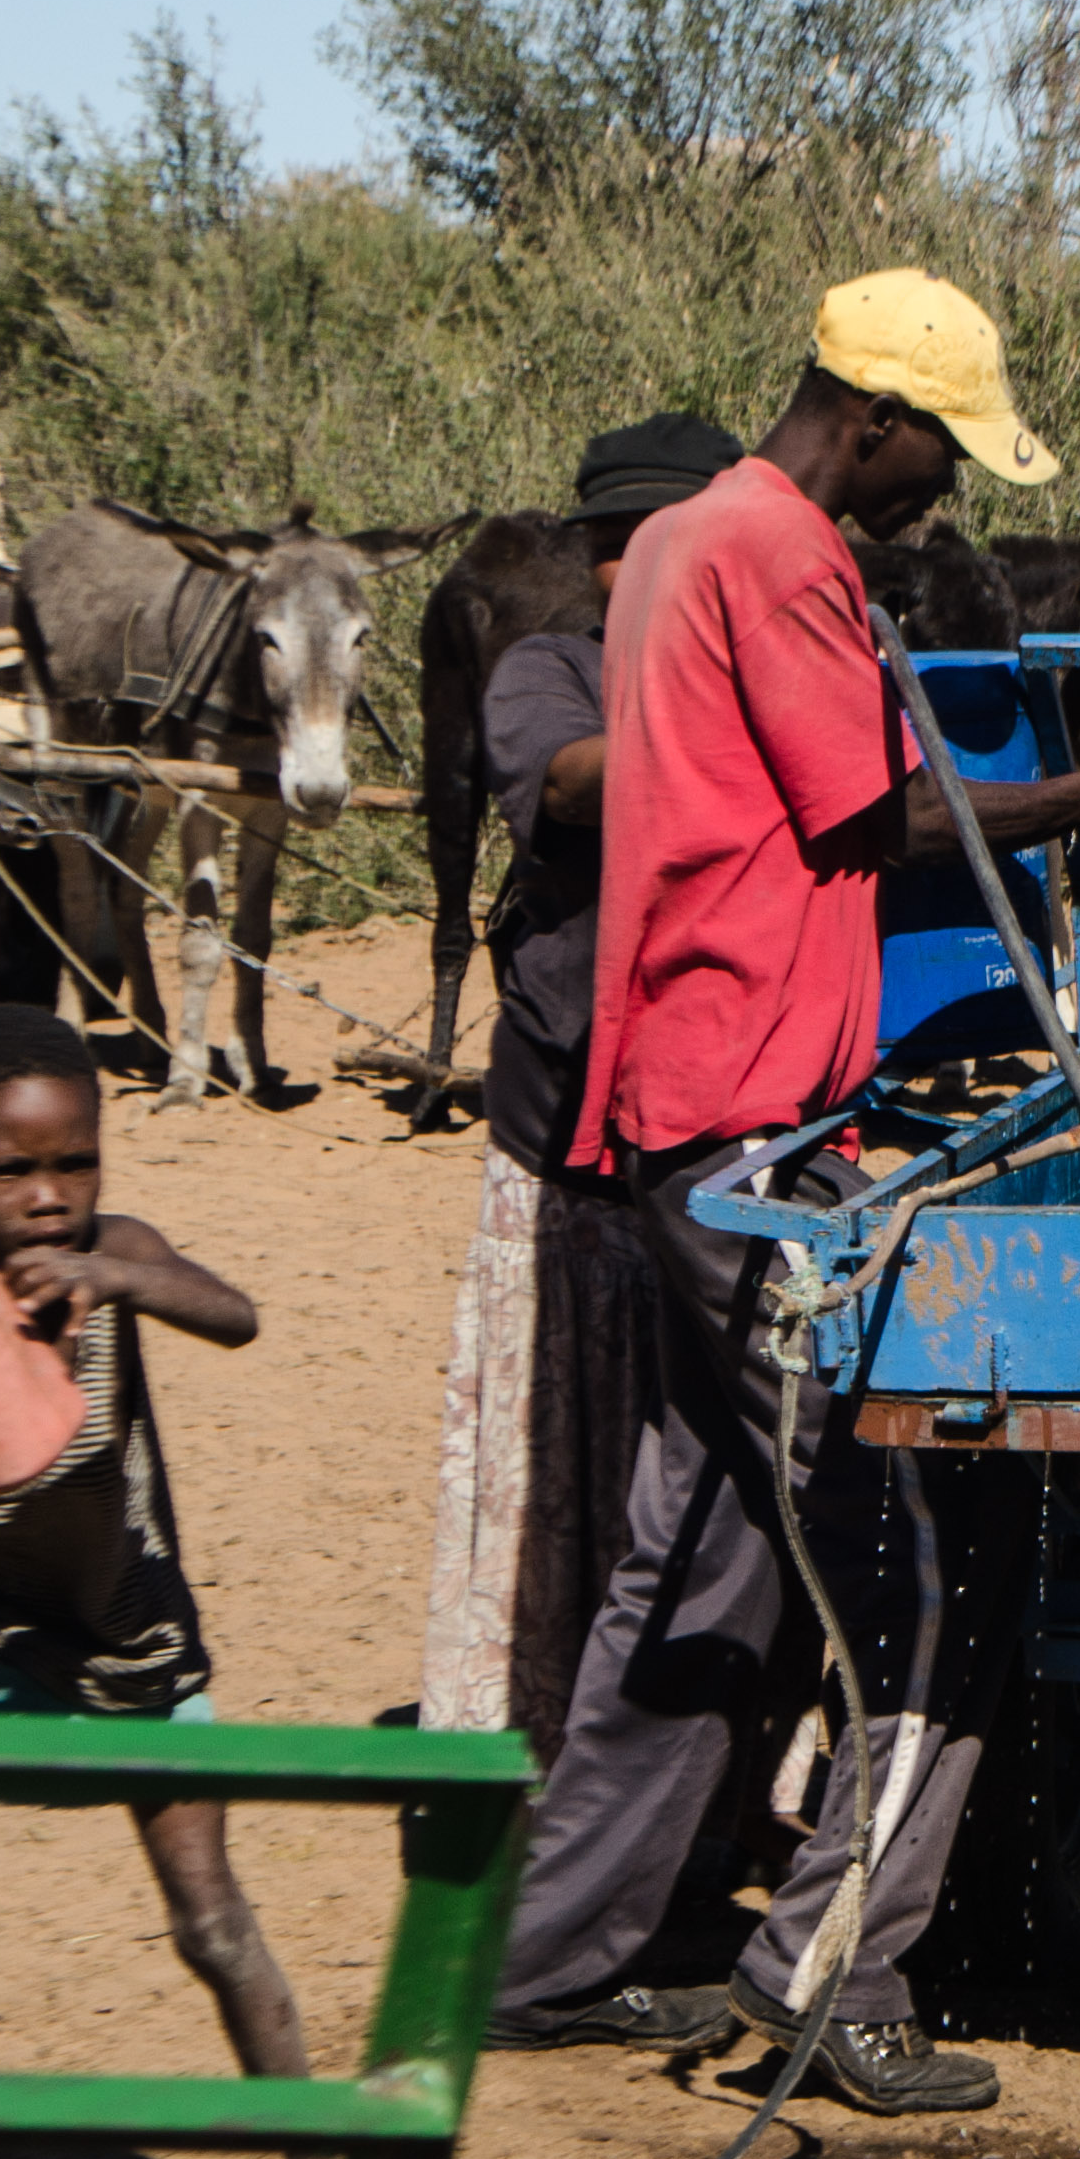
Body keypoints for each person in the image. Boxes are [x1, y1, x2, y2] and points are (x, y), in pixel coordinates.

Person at [485, 269, 1080, 2108]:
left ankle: (554, 1954)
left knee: (703, 1545)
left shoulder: (673, 546)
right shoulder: (786, 554)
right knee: (920, 1556)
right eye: (934, 459)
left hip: (669, 1118)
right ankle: (833, 1970)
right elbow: (876, 827)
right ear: (865, 417)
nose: (938, 501)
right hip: (750, 1128)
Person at [0, 1005, 331, 2159]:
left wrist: (117, 1275)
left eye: (73, 1162)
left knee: (211, 1918)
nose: (47, 1196)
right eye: (8, 1170)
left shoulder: (117, 1252)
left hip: (131, 1628)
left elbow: (234, 1313)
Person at [424, 415, 744, 1768]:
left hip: (712, 1148)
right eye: (630, 551)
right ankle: (552, 1767)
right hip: (571, 1148)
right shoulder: (555, 672)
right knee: (579, 1469)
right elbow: (566, 789)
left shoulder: (740, 667)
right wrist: (721, 715)